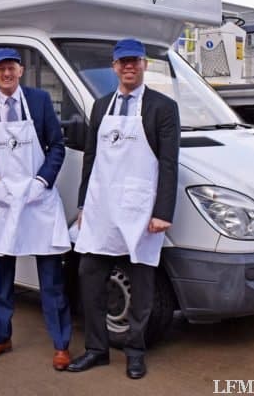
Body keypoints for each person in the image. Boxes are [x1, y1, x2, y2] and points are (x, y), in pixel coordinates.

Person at [67, 38, 180, 379]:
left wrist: (163, 212)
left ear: (144, 64)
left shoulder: (163, 107)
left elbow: (169, 163)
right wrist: (84, 203)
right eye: (122, 62)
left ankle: (134, 350)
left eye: (134, 61)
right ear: (114, 67)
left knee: (143, 282)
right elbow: (91, 158)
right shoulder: (101, 106)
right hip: (102, 207)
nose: (128, 67)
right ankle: (96, 349)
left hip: (140, 208)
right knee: (89, 274)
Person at [0, 47, 72, 371]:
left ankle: (61, 344)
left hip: (38, 201)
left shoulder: (39, 101)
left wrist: (43, 180)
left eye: (11, 67)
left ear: (21, 71)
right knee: (1, 280)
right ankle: (1, 337)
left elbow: (57, 145)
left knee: (51, 280)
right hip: (1, 201)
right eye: (0, 69)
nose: (7, 73)